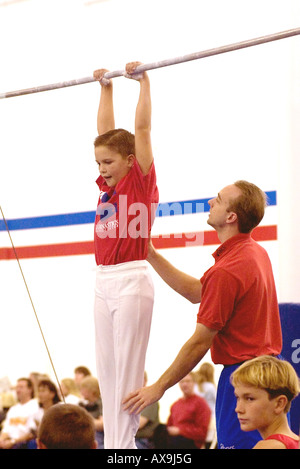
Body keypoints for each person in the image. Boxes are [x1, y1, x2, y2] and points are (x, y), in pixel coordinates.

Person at [123, 181, 282, 449]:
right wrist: (150, 254)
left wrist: (159, 387)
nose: (210, 202)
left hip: (245, 377)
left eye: (218, 199)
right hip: (265, 374)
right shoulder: (254, 252)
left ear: (231, 217)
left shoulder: (228, 269)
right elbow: (199, 291)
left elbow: (200, 341)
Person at [92, 62, 159, 449]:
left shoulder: (140, 178)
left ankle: (123, 447)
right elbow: (105, 134)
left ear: (131, 160)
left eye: (109, 162)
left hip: (132, 276)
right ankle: (119, 446)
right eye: (98, 164)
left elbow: (142, 131)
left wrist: (143, 83)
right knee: (107, 372)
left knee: (128, 373)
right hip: (102, 279)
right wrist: (106, 88)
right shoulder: (108, 187)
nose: (102, 170)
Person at [231, 355, 300, 449]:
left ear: (279, 404)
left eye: (250, 399)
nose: (238, 409)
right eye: (237, 397)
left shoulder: (268, 446)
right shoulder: (295, 441)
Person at [153, 373, 211, 449]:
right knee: (159, 430)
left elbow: (202, 432)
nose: (185, 384)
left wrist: (180, 431)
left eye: (188, 381)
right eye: (182, 382)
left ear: (194, 383)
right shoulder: (175, 405)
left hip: (191, 441)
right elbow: (169, 425)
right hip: (174, 439)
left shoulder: (201, 404)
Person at [0, 378, 39, 449]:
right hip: (9, 442)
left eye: (21, 387)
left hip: (24, 443)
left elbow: (31, 434)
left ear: (30, 389)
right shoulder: (13, 409)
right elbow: (6, 430)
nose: (18, 390)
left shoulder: (35, 406)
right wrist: (1, 440)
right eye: (17, 387)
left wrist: (13, 442)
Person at [194, 362, 217, 448]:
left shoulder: (196, 387)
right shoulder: (210, 387)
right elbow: (217, 400)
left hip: (199, 418)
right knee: (210, 442)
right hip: (211, 417)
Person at [135, 372, 160, 449]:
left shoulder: (151, 400)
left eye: (139, 379)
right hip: (130, 439)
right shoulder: (132, 399)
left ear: (145, 381)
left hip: (143, 441)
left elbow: (139, 424)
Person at [79, 376, 104, 449]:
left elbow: (102, 424)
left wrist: (86, 422)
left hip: (99, 436)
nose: (81, 391)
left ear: (91, 390)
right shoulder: (84, 404)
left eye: (83, 388)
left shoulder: (101, 404)